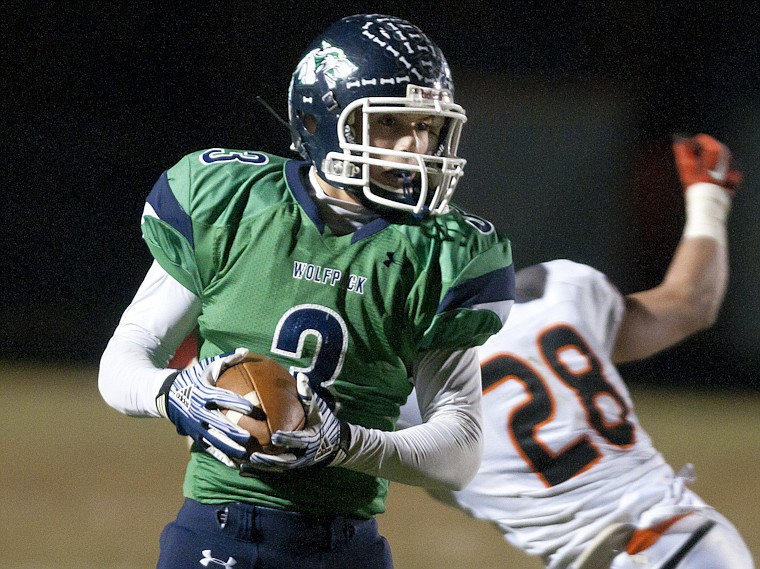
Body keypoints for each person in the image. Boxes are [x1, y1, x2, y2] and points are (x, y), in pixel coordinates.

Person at [98, 13, 515, 569]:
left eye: (427, 126)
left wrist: (344, 444)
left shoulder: (441, 252)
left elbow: (460, 447)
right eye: (391, 123)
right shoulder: (233, 204)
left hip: (348, 545)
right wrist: (174, 394)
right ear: (320, 121)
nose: (416, 146)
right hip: (220, 529)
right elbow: (123, 361)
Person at [400, 133, 754, 568]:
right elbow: (689, 303)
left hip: (633, 555)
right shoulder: (560, 293)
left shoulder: (394, 375)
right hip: (689, 538)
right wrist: (709, 197)